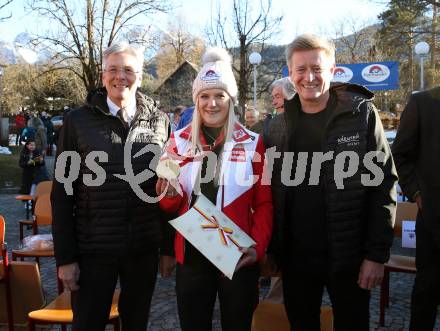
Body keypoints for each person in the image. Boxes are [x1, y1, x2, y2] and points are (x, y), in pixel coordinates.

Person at [265, 34, 397, 331]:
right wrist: (272, 249)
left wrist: (376, 255)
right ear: (289, 72)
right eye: (300, 69)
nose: (309, 77)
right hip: (296, 260)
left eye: (317, 68)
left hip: (349, 258)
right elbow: (269, 192)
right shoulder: (277, 126)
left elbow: (383, 185)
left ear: (333, 70)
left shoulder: (361, 114)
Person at [51, 42, 170, 331]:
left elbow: (167, 191)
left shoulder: (160, 122)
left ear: (140, 76)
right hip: (94, 249)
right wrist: (66, 258)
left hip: (143, 248)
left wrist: (167, 248)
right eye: (113, 69)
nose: (121, 77)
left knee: (136, 324)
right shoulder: (77, 121)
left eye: (128, 70)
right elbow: (62, 193)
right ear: (103, 76)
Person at [156, 47, 273, 331]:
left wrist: (256, 248)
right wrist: (168, 196)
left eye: (219, 95)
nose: (212, 103)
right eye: (204, 96)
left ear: (230, 99)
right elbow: (168, 205)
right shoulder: (176, 142)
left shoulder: (254, 142)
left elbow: (266, 203)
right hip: (192, 255)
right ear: (196, 100)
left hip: (236, 254)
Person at [392, 87, 440, 331]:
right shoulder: (423, 102)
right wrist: (419, 194)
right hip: (434, 219)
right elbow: (399, 155)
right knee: (426, 294)